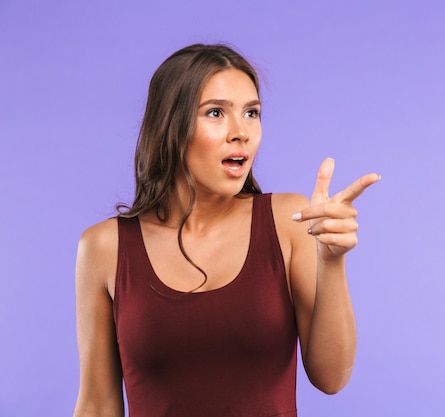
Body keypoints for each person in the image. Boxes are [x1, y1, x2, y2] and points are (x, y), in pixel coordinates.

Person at [73, 43, 380, 417]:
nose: (242, 132)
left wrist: (331, 261)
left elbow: (331, 378)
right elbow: (98, 403)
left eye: (252, 113)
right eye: (215, 113)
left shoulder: (290, 221)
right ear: (169, 125)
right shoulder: (105, 247)